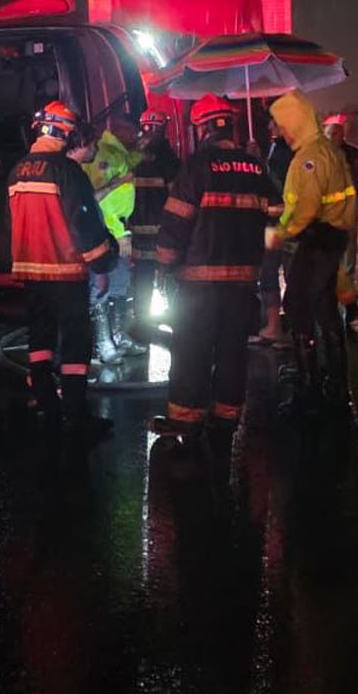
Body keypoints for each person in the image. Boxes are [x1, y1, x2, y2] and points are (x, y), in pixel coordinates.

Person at [149, 96, 277, 461]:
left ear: (202, 127)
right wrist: (263, 257)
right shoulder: (255, 167)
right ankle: (227, 417)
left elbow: (176, 221)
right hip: (242, 284)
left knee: (192, 349)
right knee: (233, 351)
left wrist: (164, 263)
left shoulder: (196, 166)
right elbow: (277, 218)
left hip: (198, 284)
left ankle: (187, 421)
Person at [8, 101, 118, 442]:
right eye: (72, 133)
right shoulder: (67, 172)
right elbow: (83, 223)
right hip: (66, 272)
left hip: (30, 273)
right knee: (75, 345)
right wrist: (102, 263)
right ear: (61, 132)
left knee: (40, 341)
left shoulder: (17, 170)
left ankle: (46, 404)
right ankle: (74, 416)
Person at [268, 92, 358, 414]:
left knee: (296, 307)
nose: (279, 131)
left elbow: (304, 209)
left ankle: (307, 388)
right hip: (331, 237)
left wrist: (278, 234)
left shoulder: (308, 158)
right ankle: (335, 384)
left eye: (281, 124)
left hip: (317, 238)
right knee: (324, 310)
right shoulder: (326, 151)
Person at [83, 113, 142, 362]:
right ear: (120, 129)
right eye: (133, 131)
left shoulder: (119, 153)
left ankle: (119, 336)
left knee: (120, 286)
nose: (136, 136)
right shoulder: (106, 155)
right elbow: (95, 197)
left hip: (120, 231)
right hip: (108, 233)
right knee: (101, 289)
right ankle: (103, 343)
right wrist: (118, 234)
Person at [125, 109, 180, 337]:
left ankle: (142, 320)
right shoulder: (168, 157)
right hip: (164, 227)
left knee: (143, 275)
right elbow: (176, 193)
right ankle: (176, 316)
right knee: (171, 271)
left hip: (137, 228)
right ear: (162, 128)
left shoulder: (133, 156)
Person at [323, 112, 358, 339]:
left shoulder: (353, 153)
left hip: (350, 204)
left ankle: (347, 279)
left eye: (338, 132)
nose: (335, 136)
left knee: (349, 244)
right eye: (331, 132)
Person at [254, 114, 295, 347]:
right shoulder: (274, 148)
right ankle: (274, 327)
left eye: (274, 121)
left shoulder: (290, 151)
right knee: (268, 273)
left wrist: (272, 208)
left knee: (291, 275)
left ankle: (296, 330)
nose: (269, 126)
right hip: (273, 227)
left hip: (287, 225)